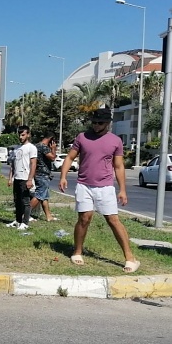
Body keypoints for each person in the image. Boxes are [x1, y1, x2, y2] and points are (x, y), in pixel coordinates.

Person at [58, 108, 140, 273]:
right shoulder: (82, 137)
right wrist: (63, 176)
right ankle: (77, 251)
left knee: (113, 220)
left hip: (105, 187)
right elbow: (70, 157)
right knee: (84, 218)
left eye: (100, 123)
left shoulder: (115, 141)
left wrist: (122, 190)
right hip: (84, 185)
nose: (96, 126)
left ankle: (130, 258)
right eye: (94, 122)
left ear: (108, 123)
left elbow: (118, 166)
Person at [7, 126, 38, 230]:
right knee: (17, 201)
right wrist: (10, 178)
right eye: (19, 134)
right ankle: (18, 220)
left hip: (25, 178)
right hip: (17, 178)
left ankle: (25, 223)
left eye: (23, 134)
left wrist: (30, 179)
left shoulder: (31, 147)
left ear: (28, 134)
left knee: (25, 201)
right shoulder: (16, 148)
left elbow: (33, 164)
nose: (20, 137)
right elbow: (13, 165)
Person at [29, 132, 58, 222]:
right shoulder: (43, 147)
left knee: (44, 197)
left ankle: (48, 216)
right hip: (42, 174)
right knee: (39, 195)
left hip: (38, 173)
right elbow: (52, 157)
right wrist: (53, 149)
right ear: (51, 139)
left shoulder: (36, 146)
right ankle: (24, 214)